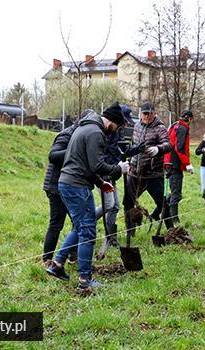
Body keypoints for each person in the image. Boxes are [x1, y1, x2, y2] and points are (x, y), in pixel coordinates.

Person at [46, 102, 129, 291]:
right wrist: (119, 169)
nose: (115, 131)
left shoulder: (85, 128)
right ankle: (85, 280)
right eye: (117, 127)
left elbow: (83, 163)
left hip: (68, 183)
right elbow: (97, 166)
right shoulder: (96, 133)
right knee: (88, 231)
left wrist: (101, 183)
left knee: (82, 225)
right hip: (76, 186)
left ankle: (57, 265)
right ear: (112, 122)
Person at [94, 105, 140, 261]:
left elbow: (119, 152)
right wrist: (115, 169)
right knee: (110, 206)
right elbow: (108, 153)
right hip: (106, 172)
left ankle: (110, 235)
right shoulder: (108, 131)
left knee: (113, 206)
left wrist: (134, 150)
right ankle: (89, 223)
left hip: (113, 171)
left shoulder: (118, 131)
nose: (125, 125)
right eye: (124, 122)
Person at [123, 102, 172, 237]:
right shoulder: (137, 126)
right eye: (144, 114)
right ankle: (130, 232)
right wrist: (130, 161)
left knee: (162, 204)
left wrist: (158, 149)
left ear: (154, 113)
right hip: (135, 172)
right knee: (127, 202)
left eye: (149, 114)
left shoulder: (160, 128)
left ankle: (171, 230)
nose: (146, 116)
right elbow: (134, 146)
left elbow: (168, 145)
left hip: (153, 174)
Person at [42, 120, 80, 268]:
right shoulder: (65, 135)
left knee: (77, 222)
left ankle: (72, 254)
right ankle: (46, 259)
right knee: (56, 224)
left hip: (69, 185)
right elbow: (53, 156)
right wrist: (74, 150)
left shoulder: (77, 134)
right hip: (55, 186)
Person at [164, 110, 195, 225]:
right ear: (190, 119)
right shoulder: (182, 128)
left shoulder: (175, 125)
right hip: (174, 164)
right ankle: (174, 220)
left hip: (168, 162)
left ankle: (158, 213)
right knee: (176, 194)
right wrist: (187, 164)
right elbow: (180, 148)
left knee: (174, 193)